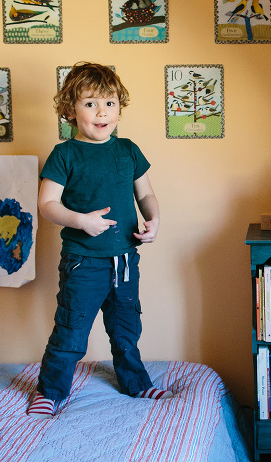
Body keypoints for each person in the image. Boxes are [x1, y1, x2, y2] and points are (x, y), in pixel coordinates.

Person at [27, 62, 171, 418]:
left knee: (126, 328)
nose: (101, 112)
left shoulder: (128, 150)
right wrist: (81, 221)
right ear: (70, 111)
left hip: (125, 259)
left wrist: (154, 220)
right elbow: (47, 205)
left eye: (109, 103)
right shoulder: (65, 154)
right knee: (71, 329)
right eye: (90, 104)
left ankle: (136, 383)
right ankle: (50, 391)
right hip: (83, 261)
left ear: (119, 107)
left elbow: (145, 194)